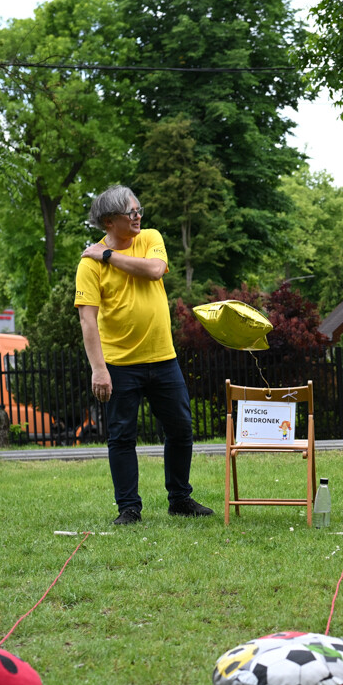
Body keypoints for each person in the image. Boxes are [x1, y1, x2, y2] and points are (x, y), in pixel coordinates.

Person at [76, 185, 213, 526]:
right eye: (131, 213)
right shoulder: (87, 266)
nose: (139, 217)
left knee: (181, 429)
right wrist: (99, 370)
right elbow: (87, 320)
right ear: (109, 221)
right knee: (122, 436)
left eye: (139, 210)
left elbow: (153, 270)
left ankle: (179, 499)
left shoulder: (148, 237)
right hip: (120, 364)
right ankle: (129, 508)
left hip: (163, 358)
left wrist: (106, 256)